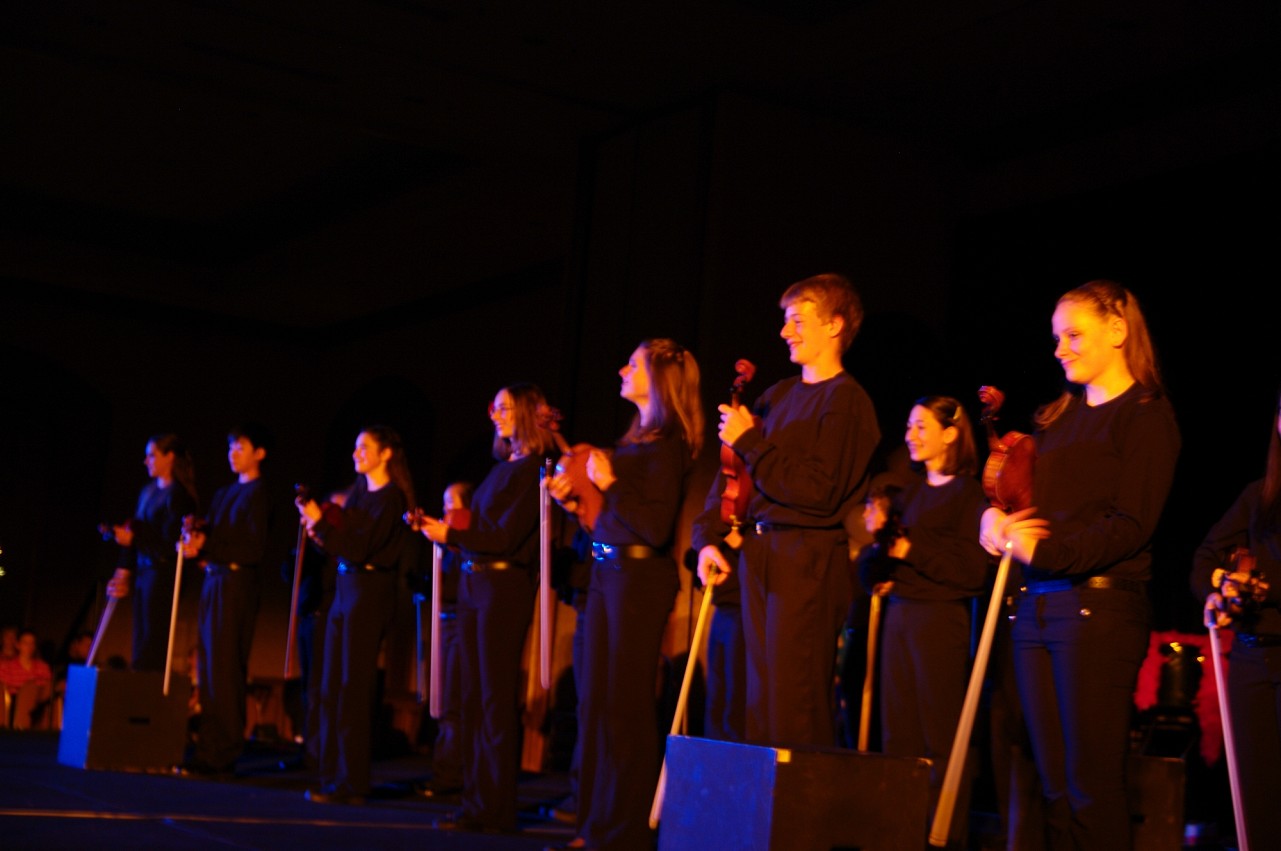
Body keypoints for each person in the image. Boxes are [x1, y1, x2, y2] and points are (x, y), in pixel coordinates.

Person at [979, 279, 1181, 850]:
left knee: (1092, 786)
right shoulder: (1058, 420)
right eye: (1055, 338)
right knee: (1055, 789)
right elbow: (1022, 507)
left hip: (1099, 610)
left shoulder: (1145, 416)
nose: (1059, 348)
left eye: (1073, 334)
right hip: (1039, 607)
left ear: (1117, 331)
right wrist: (992, 523)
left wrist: (1044, 551)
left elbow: (1130, 524)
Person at [695, 272, 881, 748]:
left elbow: (818, 490)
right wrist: (708, 539)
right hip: (761, 553)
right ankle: (764, 817)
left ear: (835, 325)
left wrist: (751, 441)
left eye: (798, 320)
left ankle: (800, 816)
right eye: (785, 321)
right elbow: (731, 474)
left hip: (809, 558)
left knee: (794, 698)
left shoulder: (847, 402)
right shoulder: (775, 396)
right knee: (759, 697)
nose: (785, 332)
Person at [546, 338, 704, 851]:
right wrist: (581, 504)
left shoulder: (671, 443)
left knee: (626, 710)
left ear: (659, 378)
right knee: (595, 706)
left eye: (632, 364)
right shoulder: (635, 441)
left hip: (639, 583)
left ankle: (623, 834)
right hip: (605, 576)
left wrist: (610, 484)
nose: (621, 369)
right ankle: (592, 827)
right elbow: (615, 520)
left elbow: (654, 528)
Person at [414, 383, 556, 834]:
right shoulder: (501, 468)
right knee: (473, 697)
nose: (495, 414)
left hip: (504, 584)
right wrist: (445, 529)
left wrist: (452, 536)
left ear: (528, 414)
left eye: (505, 408)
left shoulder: (533, 468)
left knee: (494, 698)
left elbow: (505, 537)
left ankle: (495, 806)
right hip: (478, 581)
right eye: (493, 407)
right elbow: (482, 528)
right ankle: (476, 802)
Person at [857, 396, 990, 846]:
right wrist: (876, 550)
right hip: (900, 619)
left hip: (939, 622)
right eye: (909, 427)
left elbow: (972, 571)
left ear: (950, 433)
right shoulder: (906, 492)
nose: (910, 435)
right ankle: (900, 834)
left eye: (920, 427)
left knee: (940, 737)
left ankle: (942, 835)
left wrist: (912, 550)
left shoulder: (967, 493)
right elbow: (877, 566)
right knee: (899, 737)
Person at [296, 425, 416, 806]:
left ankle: (353, 781)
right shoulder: (359, 494)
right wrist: (318, 529)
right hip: (344, 589)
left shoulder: (392, 499)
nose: (356, 453)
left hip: (369, 590)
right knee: (331, 683)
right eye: (354, 447)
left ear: (385, 454)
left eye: (364, 447)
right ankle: (332, 774)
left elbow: (360, 547)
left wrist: (320, 525)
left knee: (354, 686)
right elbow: (343, 543)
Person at [1191, 384, 1281, 850]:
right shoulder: (1258, 496)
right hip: (1251, 662)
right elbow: (1204, 558)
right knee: (1256, 803)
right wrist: (1219, 586)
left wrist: (1267, 586)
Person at [179, 423, 275, 776]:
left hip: (237, 584)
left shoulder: (259, 493)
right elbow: (215, 538)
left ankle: (224, 752)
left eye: (241, 448)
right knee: (208, 667)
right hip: (214, 581)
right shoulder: (223, 493)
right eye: (231, 448)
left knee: (226, 667)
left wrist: (210, 545)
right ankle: (208, 747)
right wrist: (197, 536)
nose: (233, 454)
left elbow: (252, 547)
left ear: (259, 454)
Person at [105, 434, 200, 673]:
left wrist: (137, 538)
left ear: (169, 457)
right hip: (144, 570)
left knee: (153, 635)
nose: (146, 461)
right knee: (140, 634)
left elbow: (170, 542)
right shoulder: (147, 492)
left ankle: (149, 688)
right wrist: (123, 571)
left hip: (163, 572)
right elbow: (135, 529)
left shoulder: (179, 496)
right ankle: (139, 681)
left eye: (152, 455)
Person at [414, 480, 473, 798]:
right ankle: (444, 769)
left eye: (452, 503)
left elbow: (459, 585)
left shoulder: (464, 537)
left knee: (452, 703)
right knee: (442, 701)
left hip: (461, 625)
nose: (446, 510)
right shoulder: (447, 545)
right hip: (446, 621)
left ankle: (450, 774)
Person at [0, 628, 54, 729]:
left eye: (32, 643)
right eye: (25, 643)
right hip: (12, 707)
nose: (29, 647)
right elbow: (5, 689)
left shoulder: (43, 667)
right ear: (18, 645)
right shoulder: (6, 666)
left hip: (38, 708)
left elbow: (46, 689)